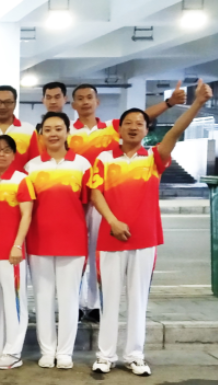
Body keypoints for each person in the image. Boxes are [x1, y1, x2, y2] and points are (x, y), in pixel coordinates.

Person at [91, 80, 213, 377]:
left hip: (144, 239)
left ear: (147, 130)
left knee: (138, 299)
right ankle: (105, 356)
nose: (134, 127)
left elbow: (175, 131)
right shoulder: (104, 159)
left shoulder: (154, 158)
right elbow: (96, 193)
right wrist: (112, 221)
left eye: (140, 124)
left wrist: (197, 103)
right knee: (109, 300)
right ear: (119, 129)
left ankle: (134, 355)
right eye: (128, 123)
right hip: (110, 238)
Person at [65, 82, 184, 324]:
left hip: (102, 199)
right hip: (75, 200)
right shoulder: (67, 132)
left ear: (97, 101)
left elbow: (142, 117)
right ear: (74, 104)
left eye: (90, 97)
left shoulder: (112, 128)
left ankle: (95, 303)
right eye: (81, 98)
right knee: (75, 254)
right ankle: (75, 303)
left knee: (97, 252)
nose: (86, 101)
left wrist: (169, 103)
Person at [23, 112, 91, 370]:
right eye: (48, 129)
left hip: (73, 241)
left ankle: (64, 352)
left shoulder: (82, 165)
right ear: (41, 134)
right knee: (42, 297)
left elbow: (87, 203)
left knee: (69, 298)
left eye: (58, 128)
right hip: (39, 240)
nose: (53, 134)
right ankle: (47, 350)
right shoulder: (31, 167)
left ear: (67, 132)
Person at [0, 135, 34, 370]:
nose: (1, 154)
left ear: (13, 155)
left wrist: (17, 245)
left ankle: (13, 352)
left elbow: (27, 215)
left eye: (6, 150)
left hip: (11, 252)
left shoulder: (22, 180)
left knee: (14, 303)